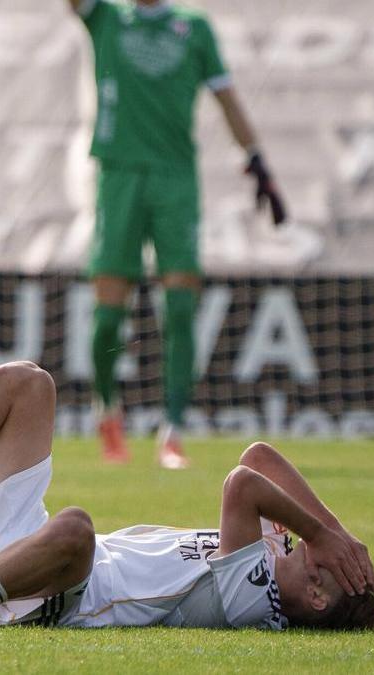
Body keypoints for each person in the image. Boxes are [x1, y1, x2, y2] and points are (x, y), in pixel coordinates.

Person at [0, 362, 374, 630]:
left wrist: (324, 533)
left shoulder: (258, 602)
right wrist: (340, 535)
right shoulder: (278, 553)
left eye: (322, 563)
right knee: (31, 385)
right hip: (21, 549)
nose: (312, 547)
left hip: (55, 592)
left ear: (317, 596)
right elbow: (259, 455)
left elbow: (242, 484)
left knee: (77, 527)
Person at [65, 0, 287, 468]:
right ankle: (108, 412)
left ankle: (173, 431)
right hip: (119, 175)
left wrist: (257, 159)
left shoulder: (195, 28)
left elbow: (227, 97)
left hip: (175, 178)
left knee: (181, 304)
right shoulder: (105, 16)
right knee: (107, 315)